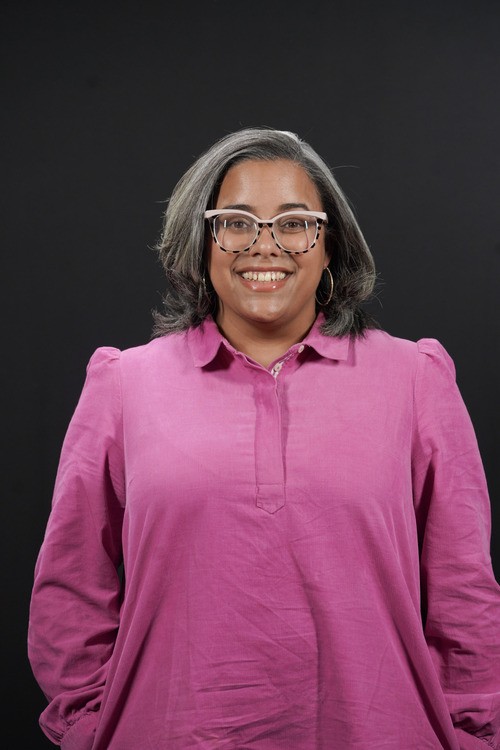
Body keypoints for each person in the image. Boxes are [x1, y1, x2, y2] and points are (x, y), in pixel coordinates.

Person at [28, 127, 500, 750]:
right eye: (237, 223)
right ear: (204, 242)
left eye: (295, 223)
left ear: (330, 245)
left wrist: (471, 736)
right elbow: (69, 587)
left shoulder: (416, 380)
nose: (265, 245)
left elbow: (465, 591)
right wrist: (90, 729)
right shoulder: (124, 384)